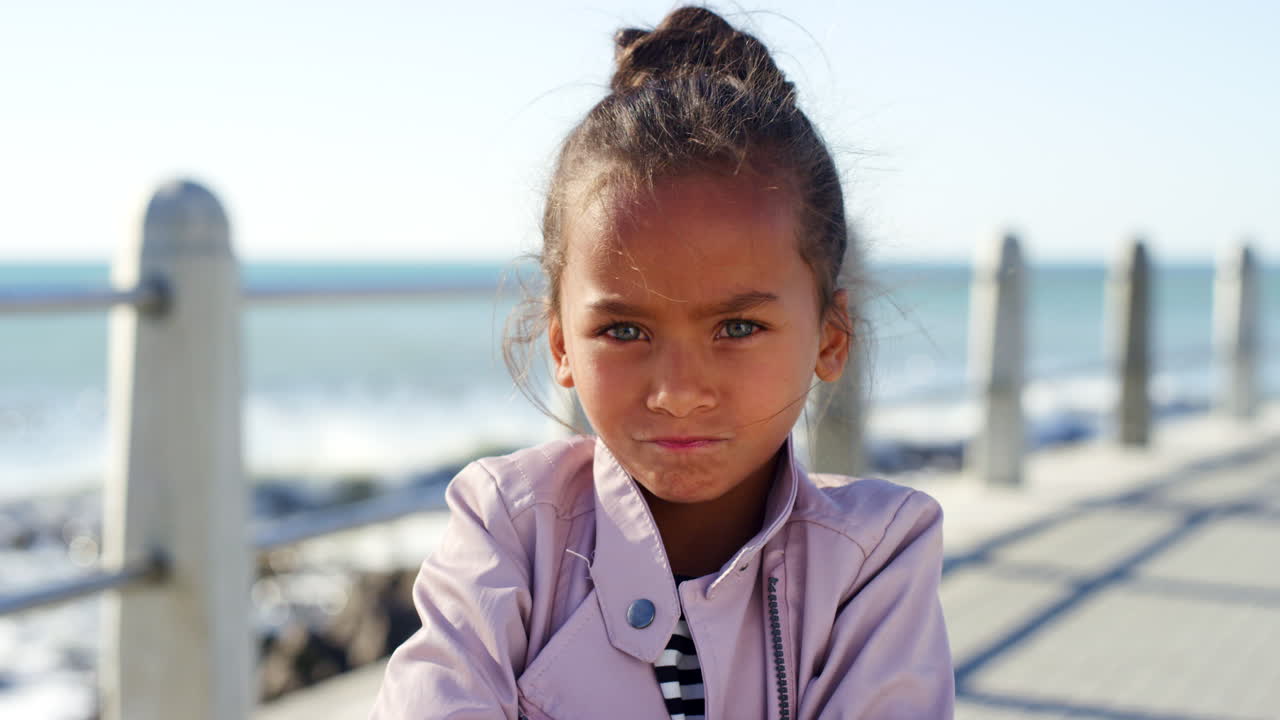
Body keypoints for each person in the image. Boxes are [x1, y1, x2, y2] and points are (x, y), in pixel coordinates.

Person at [371, 6, 953, 718]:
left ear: (830, 337)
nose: (678, 393)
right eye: (624, 330)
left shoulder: (873, 559)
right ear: (560, 344)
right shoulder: (512, 530)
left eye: (737, 326)